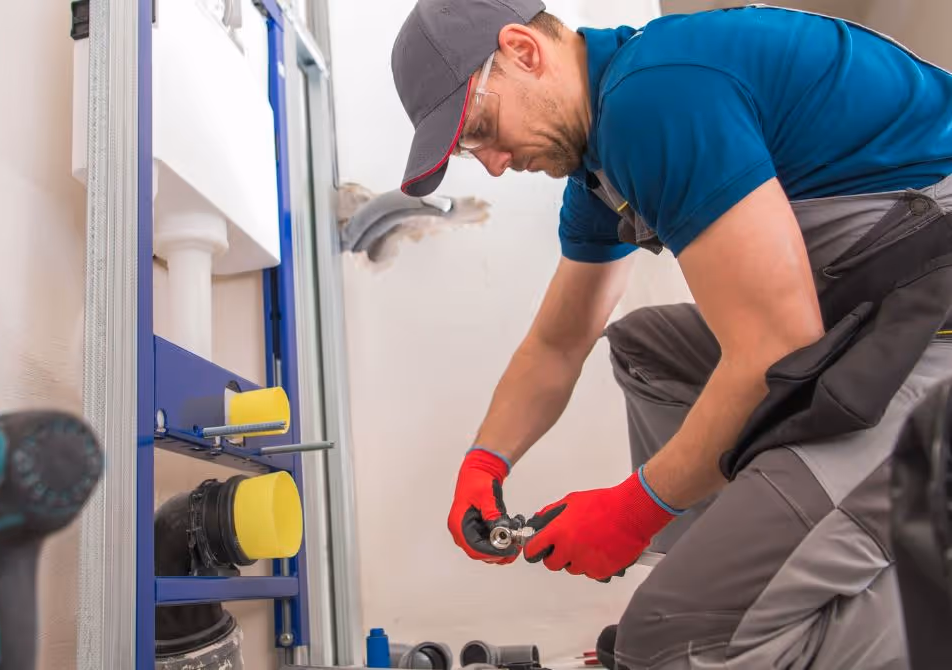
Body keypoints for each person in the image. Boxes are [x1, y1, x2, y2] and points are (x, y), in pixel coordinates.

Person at [389, 1, 952, 668]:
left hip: (930, 334)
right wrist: (484, 463)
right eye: (472, 150)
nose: (492, 164)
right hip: (872, 325)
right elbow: (558, 344)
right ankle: (738, 575)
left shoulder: (654, 97)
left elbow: (778, 347)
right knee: (646, 350)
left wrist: (633, 510)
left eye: (481, 130)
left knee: (672, 639)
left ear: (525, 52)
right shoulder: (603, 161)